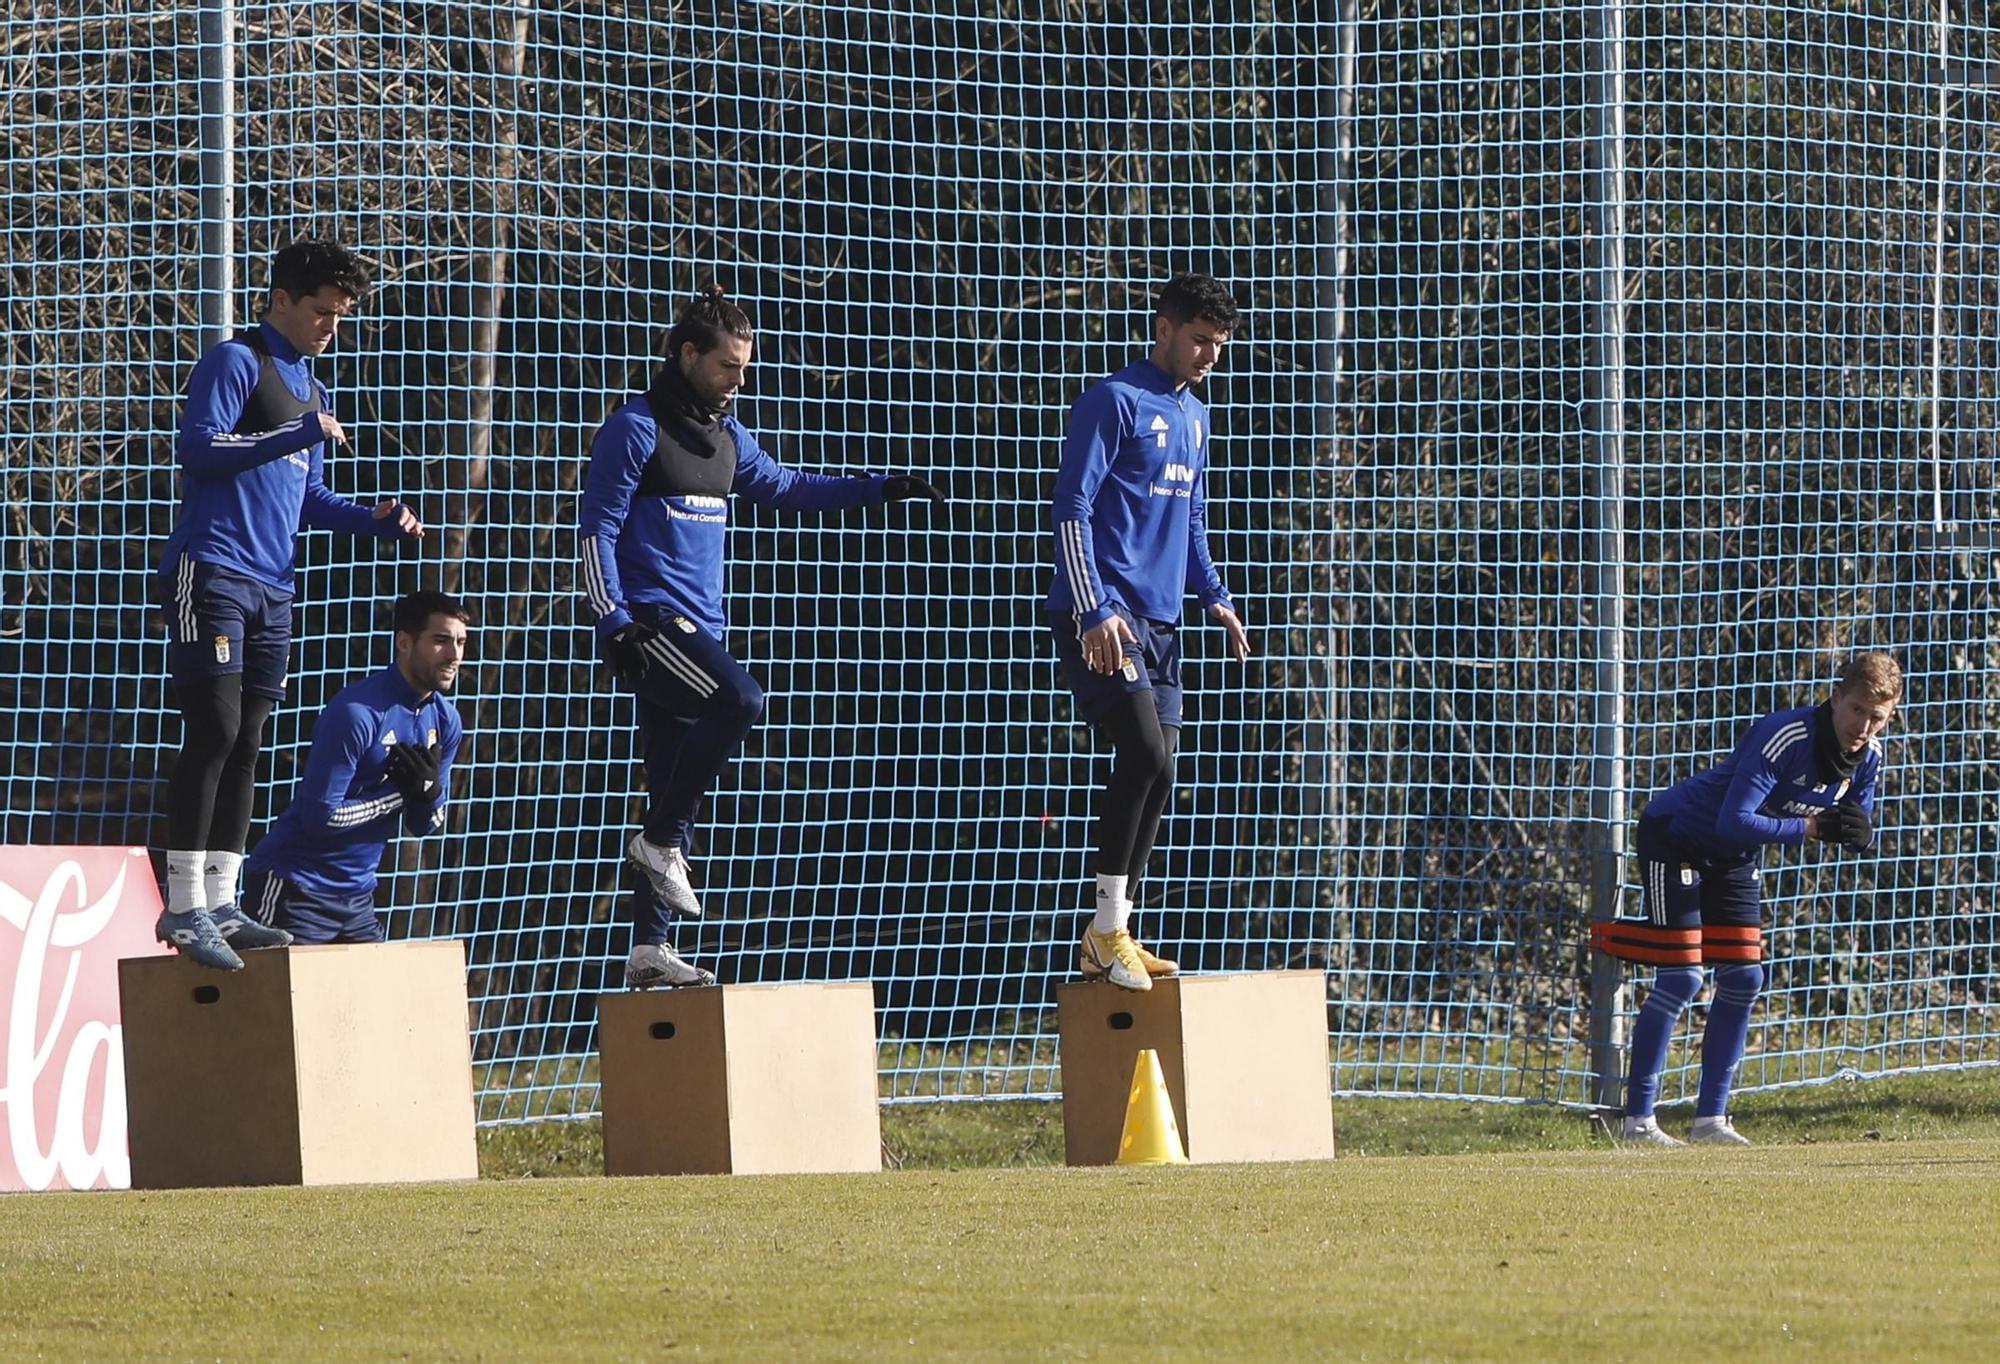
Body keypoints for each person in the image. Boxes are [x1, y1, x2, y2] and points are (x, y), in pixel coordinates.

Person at [580, 286, 942, 989]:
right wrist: (614, 621)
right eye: (727, 366)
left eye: (745, 367)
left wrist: (882, 487)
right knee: (741, 701)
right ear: (687, 356)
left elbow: (789, 486)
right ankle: (657, 846)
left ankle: (648, 951)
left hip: (699, 628)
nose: (739, 380)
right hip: (649, 622)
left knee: (671, 779)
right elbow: (596, 529)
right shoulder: (634, 428)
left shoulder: (729, 439)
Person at [156, 239, 426, 970]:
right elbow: (200, 449)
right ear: (280, 300)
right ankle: (182, 903)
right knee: (211, 726)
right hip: (212, 571)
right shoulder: (237, 362)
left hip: (275, 586)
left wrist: (372, 517)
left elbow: (307, 500)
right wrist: (295, 433)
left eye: (340, 316)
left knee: (248, 738)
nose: (329, 328)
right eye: (320, 312)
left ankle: (221, 901)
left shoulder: (314, 389)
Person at [1595, 652, 1901, 1145]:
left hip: (1734, 857)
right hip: (1676, 836)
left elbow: (1854, 821)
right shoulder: (1786, 736)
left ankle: (1710, 1121)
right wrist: (1810, 827)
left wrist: (1860, 833)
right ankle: (1638, 1122)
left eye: (1877, 717)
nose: (1864, 726)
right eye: (1858, 710)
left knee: (1744, 975)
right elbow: (1733, 818)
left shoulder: (1870, 757)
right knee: (1683, 975)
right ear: (1837, 697)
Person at [1046, 273, 1252, 992]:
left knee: (1161, 765)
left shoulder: (1197, 418)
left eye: (1219, 346)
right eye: (1200, 340)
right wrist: (1093, 607)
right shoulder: (1113, 401)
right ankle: (1104, 930)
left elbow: (1190, 519)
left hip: (1163, 621)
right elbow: (1071, 507)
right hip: (1104, 614)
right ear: (1163, 329)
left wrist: (1216, 595)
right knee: (1142, 750)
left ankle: (1114, 932)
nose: (1208, 357)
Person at [239, 591, 468, 945]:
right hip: (294, 886)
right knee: (277, 1000)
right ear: (404, 643)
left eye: (460, 642)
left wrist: (429, 794)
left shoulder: (446, 720)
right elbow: (320, 817)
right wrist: (398, 796)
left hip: (358, 898)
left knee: (375, 1001)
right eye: (440, 641)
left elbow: (426, 824)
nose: (454, 655)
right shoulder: (357, 713)